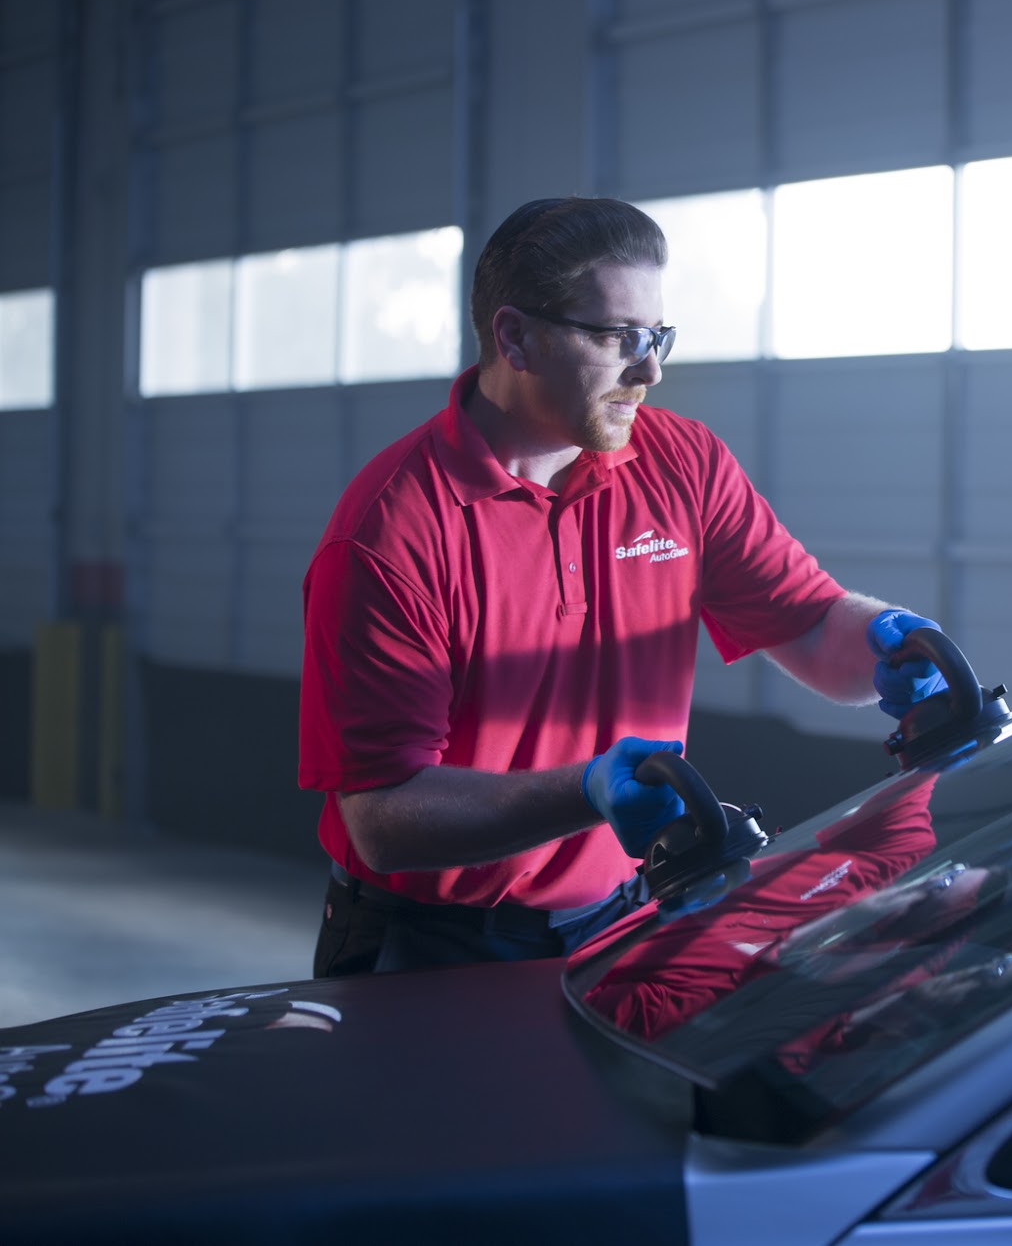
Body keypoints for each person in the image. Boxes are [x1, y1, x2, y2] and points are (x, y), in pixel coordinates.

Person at [300, 196, 946, 977]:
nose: (651, 370)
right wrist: (586, 791)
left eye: (658, 335)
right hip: (432, 943)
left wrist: (888, 640)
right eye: (619, 338)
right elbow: (382, 818)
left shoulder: (682, 464)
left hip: (626, 910)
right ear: (515, 337)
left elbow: (809, 627)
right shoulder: (392, 530)